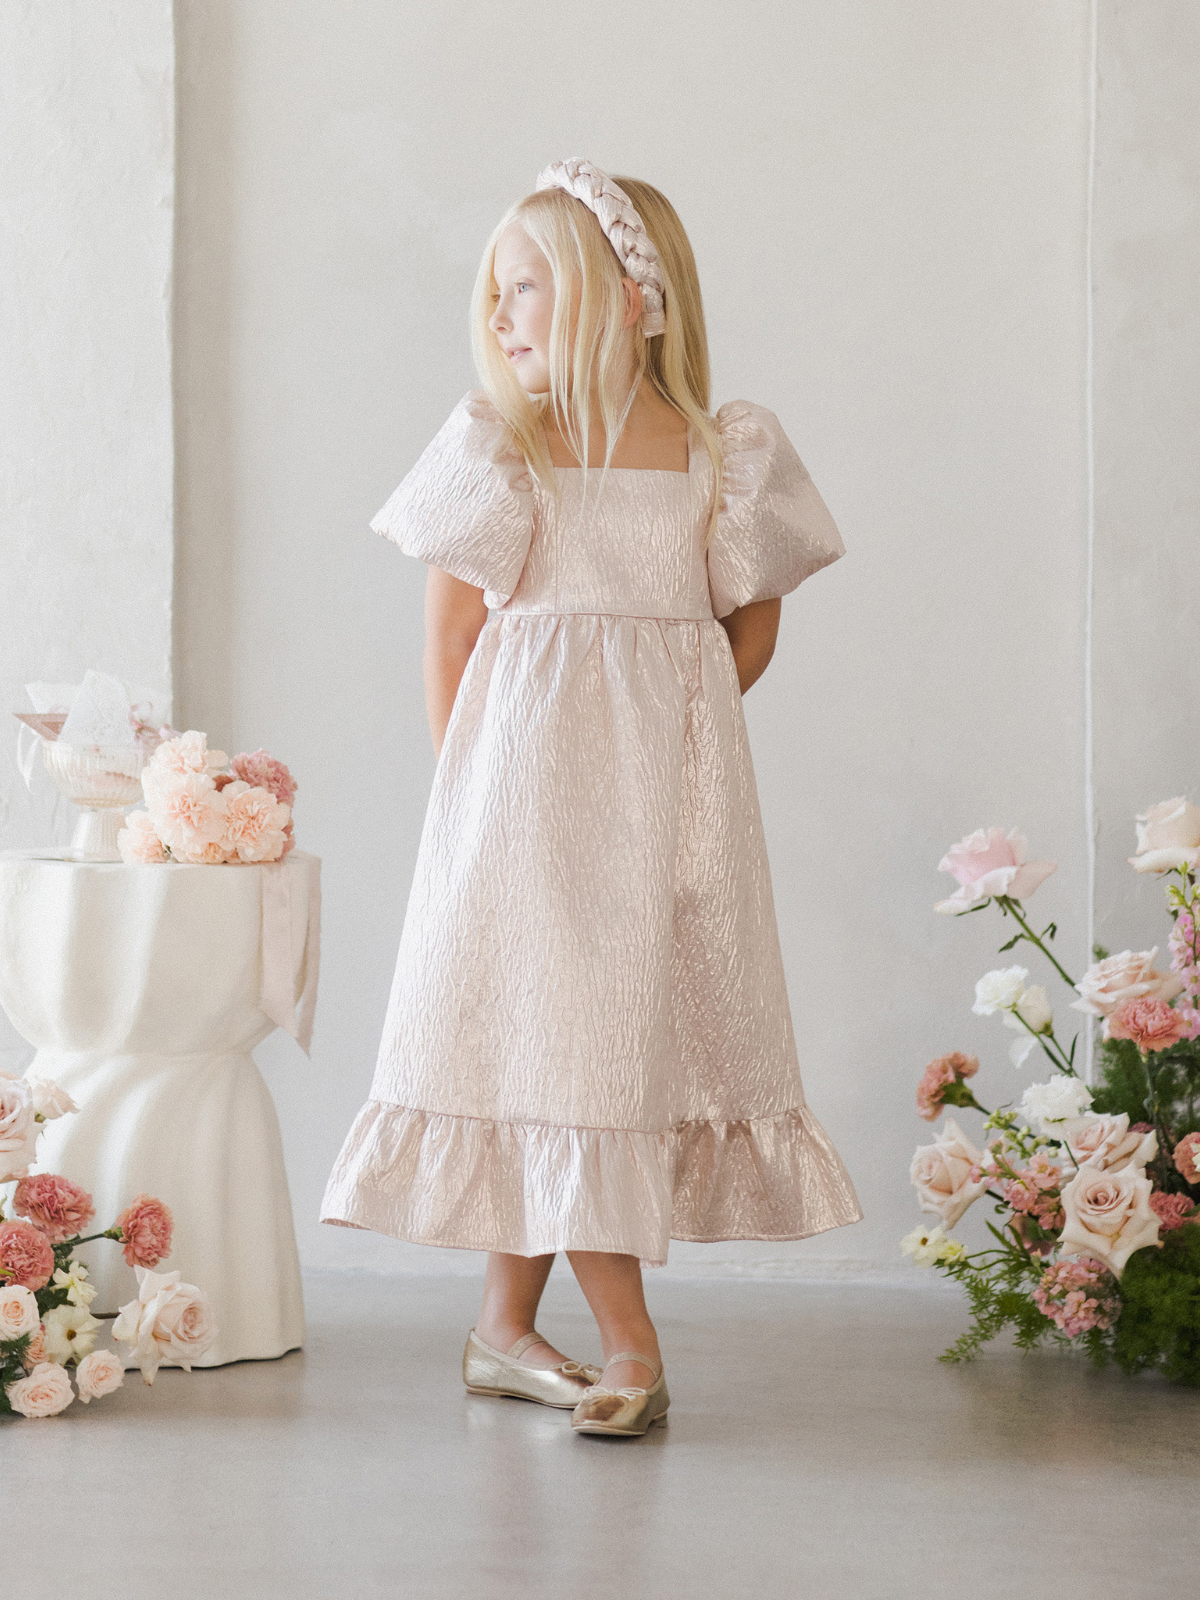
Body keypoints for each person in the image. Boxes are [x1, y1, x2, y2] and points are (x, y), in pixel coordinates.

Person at [322, 157, 861, 1437]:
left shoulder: (722, 455)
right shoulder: (507, 444)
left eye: (524, 288)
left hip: (661, 811)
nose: (499, 316)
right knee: (565, 1044)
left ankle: (502, 1327)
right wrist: (478, 802)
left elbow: (744, 635)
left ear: (626, 296)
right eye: (494, 293)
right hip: (519, 811)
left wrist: (662, 736)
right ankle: (629, 1338)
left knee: (584, 1046)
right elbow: (453, 638)